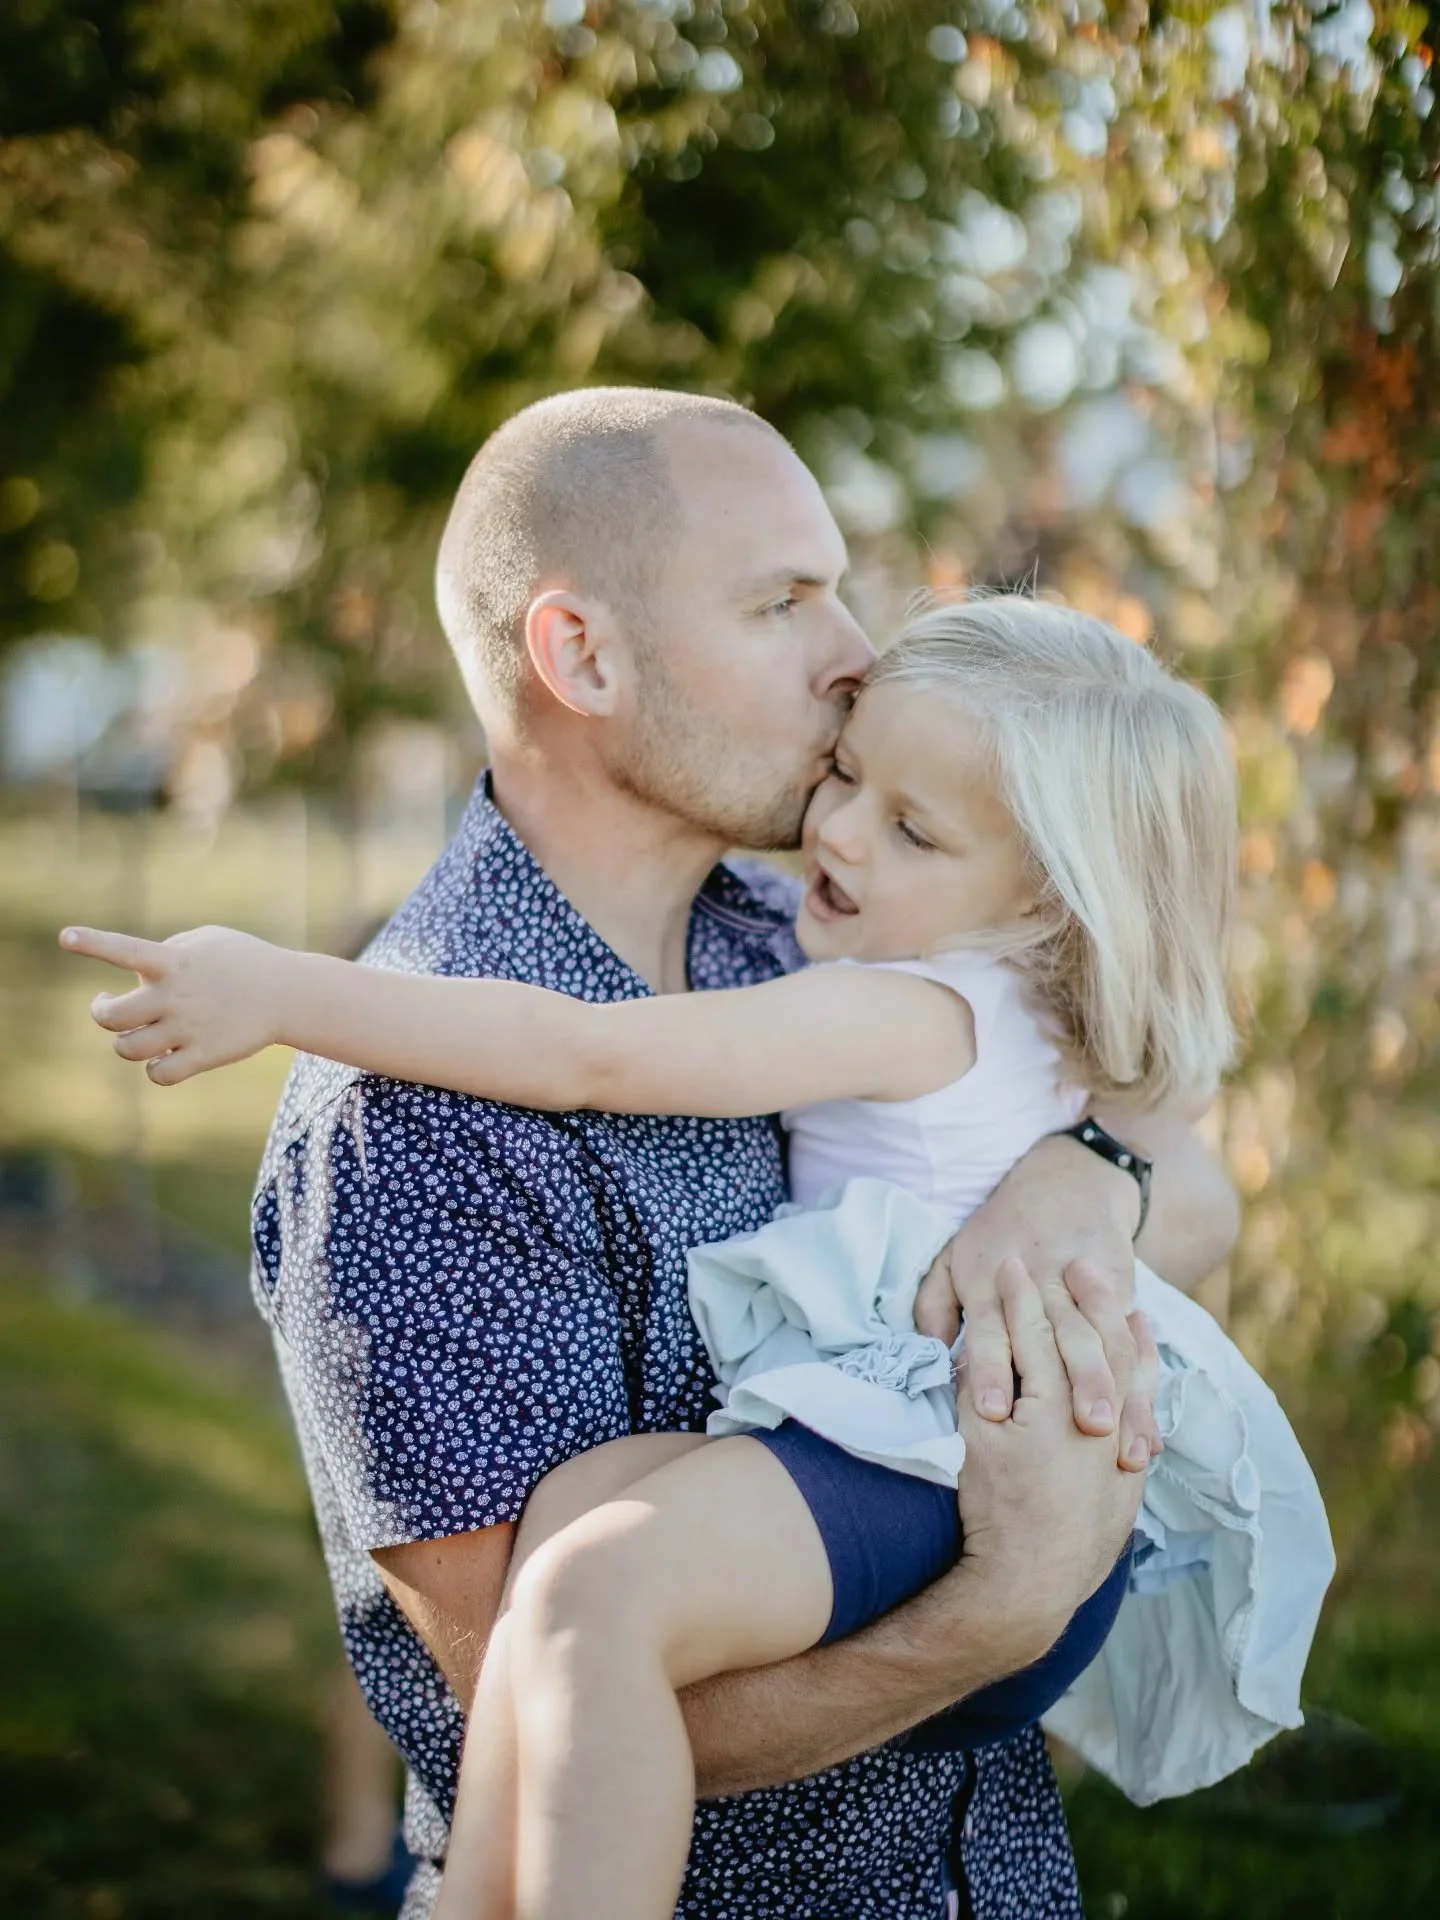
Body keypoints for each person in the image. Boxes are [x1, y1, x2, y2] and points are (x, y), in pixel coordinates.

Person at [61, 390, 1242, 1919]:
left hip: (983, 1876)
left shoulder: (805, 930)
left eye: (838, 589)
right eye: (782, 601)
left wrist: (1078, 1174)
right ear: (583, 658)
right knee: (584, 1573)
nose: (854, 652)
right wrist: (999, 1611)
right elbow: (551, 1708)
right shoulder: (414, 1114)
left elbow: (1187, 1173)